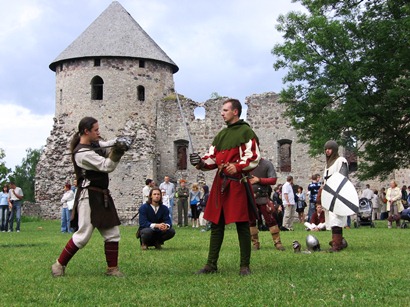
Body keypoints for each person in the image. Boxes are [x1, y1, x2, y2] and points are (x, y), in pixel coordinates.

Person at [51, 116, 130, 277]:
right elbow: (106, 166)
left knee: (112, 233)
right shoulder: (82, 153)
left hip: (101, 195)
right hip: (89, 196)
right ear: (86, 131)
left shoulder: (93, 144)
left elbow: (104, 144)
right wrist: (118, 152)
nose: (98, 132)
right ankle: (59, 265)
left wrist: (119, 141)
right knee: (83, 235)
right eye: (95, 130)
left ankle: (112, 269)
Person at [190, 98, 261, 276]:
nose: (222, 113)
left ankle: (245, 266)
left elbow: (253, 156)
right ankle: (211, 265)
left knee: (242, 224)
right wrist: (200, 162)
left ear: (235, 112)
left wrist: (237, 167)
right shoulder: (221, 135)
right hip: (220, 184)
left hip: (237, 184)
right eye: (222, 110)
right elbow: (212, 158)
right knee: (216, 224)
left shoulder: (246, 132)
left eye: (225, 110)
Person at [317, 140, 349, 252]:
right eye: (326, 149)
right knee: (331, 219)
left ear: (334, 150)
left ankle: (337, 244)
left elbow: (343, 177)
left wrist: (337, 191)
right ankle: (340, 241)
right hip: (329, 195)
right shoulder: (327, 165)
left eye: (329, 149)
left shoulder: (341, 160)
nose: (327, 151)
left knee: (336, 219)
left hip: (338, 194)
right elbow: (325, 181)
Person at [248, 158, 285, 251]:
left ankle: (277, 242)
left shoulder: (266, 164)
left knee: (271, 220)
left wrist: (259, 180)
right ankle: (255, 243)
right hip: (250, 197)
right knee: (251, 221)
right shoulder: (246, 164)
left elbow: (273, 180)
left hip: (263, 197)